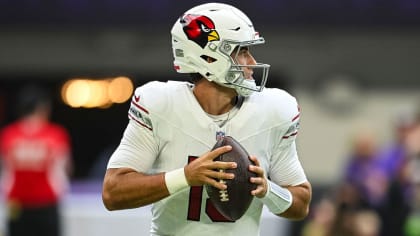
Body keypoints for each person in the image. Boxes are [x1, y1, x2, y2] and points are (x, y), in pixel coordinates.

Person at [102, 3, 312, 236]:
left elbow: (301, 204)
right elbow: (113, 193)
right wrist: (186, 176)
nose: (251, 62)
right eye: (242, 51)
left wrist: (268, 190)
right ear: (209, 58)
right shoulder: (161, 105)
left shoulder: (274, 111)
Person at [0, 84, 72, 236]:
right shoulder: (55, 135)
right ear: (43, 108)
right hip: (47, 203)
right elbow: (66, 168)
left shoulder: (8, 135)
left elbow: (4, 169)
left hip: (17, 205)